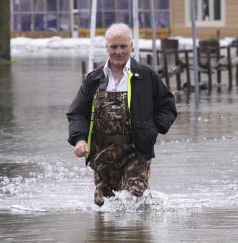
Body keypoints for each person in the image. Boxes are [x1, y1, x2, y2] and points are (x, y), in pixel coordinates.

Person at [66, 23, 177, 206]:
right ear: (106, 47)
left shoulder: (146, 76)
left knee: (135, 199)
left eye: (123, 46)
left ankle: (136, 235)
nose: (119, 51)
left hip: (137, 152)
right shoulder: (94, 79)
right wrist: (80, 139)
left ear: (131, 46)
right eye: (114, 47)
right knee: (105, 206)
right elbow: (77, 113)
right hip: (102, 155)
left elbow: (167, 107)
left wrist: (151, 130)